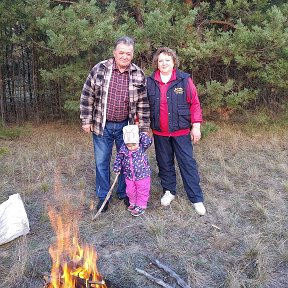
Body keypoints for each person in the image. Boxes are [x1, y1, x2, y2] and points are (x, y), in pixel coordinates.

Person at [80, 36, 150, 212]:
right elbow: (87, 95)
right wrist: (86, 120)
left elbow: (143, 103)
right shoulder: (100, 69)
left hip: (126, 128)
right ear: (114, 53)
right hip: (101, 125)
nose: (125, 56)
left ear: (132, 55)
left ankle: (124, 193)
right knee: (101, 163)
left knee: (127, 162)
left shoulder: (138, 74)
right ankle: (103, 197)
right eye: (121, 53)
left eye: (128, 53)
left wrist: (142, 130)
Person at [147, 47, 206, 216]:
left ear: (174, 62)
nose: (164, 63)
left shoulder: (184, 80)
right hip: (160, 132)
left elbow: (194, 103)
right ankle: (169, 191)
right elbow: (143, 106)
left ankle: (196, 198)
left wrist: (196, 126)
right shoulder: (150, 81)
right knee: (164, 162)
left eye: (167, 60)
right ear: (156, 64)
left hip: (181, 131)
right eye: (160, 60)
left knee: (187, 163)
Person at [113, 125, 152, 217]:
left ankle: (141, 206)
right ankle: (133, 203)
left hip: (143, 175)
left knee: (142, 190)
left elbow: (149, 141)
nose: (132, 148)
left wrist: (140, 134)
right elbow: (119, 158)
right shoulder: (123, 149)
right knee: (130, 191)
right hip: (129, 175)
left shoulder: (142, 147)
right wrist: (117, 167)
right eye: (129, 146)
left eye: (134, 145)